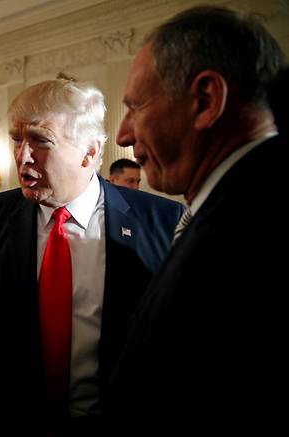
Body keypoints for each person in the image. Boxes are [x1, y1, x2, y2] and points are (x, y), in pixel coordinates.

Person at [0, 79, 184, 435]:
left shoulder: (163, 221)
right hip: (13, 422)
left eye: (41, 140)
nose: (22, 156)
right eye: (17, 139)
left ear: (90, 152)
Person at [109, 6, 287, 425]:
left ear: (206, 100)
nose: (123, 134)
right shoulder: (231, 202)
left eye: (135, 107)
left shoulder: (253, 226)